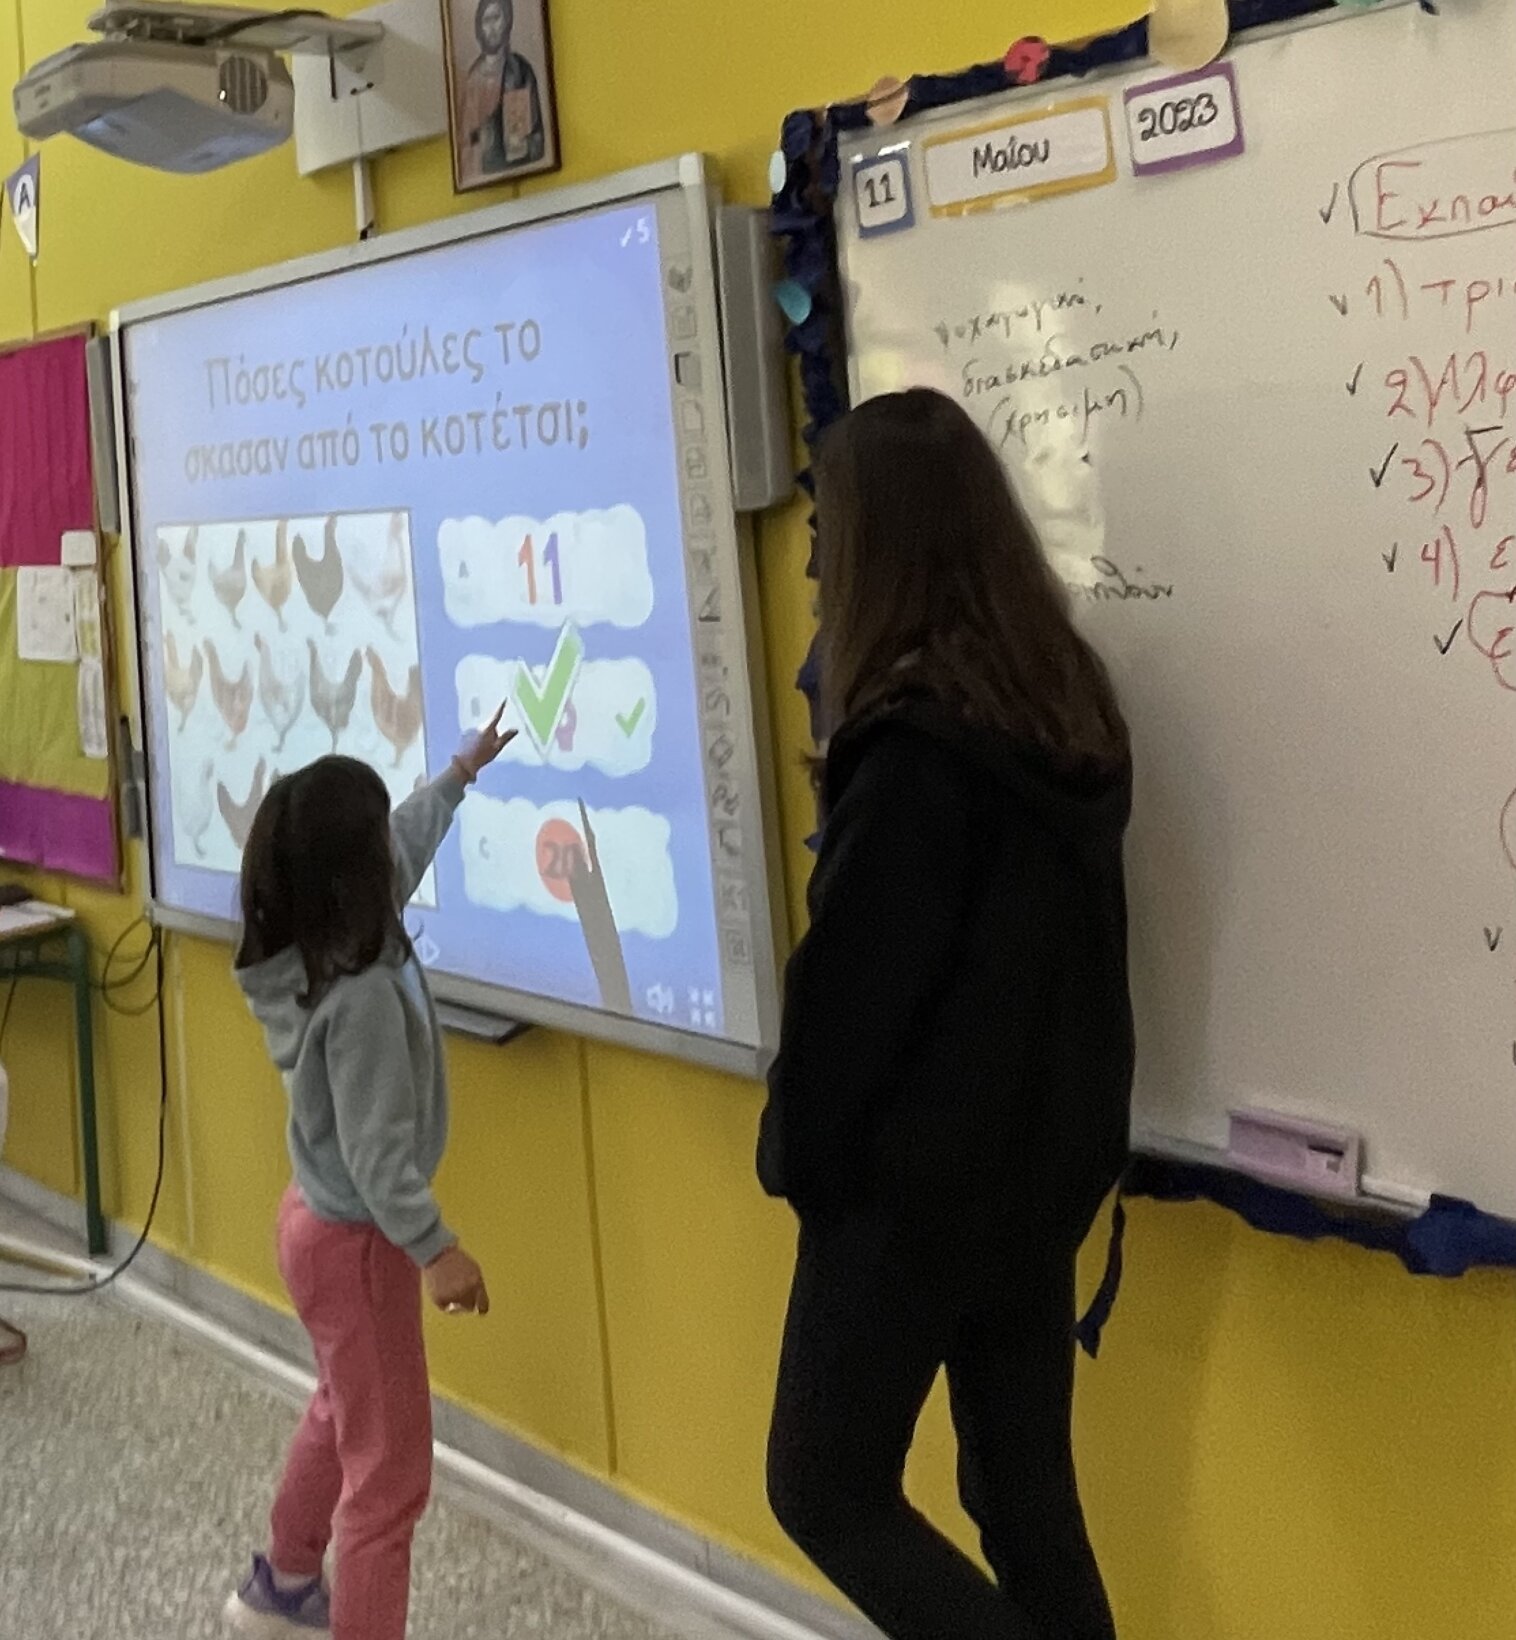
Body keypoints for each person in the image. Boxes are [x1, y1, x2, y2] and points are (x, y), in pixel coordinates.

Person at [759, 388, 1133, 1640]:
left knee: (823, 1485)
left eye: (829, 530)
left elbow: (848, 1006)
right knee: (1022, 1498)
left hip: (912, 1198)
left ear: (885, 545)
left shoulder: (913, 754)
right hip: (1037, 1181)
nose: (815, 562)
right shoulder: (1063, 708)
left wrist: (796, 1157)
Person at [224, 712, 513, 1640]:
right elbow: (379, 1158)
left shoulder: (308, 950)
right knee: (389, 1479)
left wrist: (461, 772)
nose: (396, 849)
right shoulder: (365, 1002)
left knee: (342, 1406)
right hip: (362, 1242)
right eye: (379, 841)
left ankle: (283, 1582)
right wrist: (438, 1250)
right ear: (359, 879)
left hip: (312, 1221)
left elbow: (405, 845)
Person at [461, 0, 545, 179]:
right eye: (486, 20)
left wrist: (523, 142)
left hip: (523, 170)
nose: (491, 27)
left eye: (496, 18)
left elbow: (536, 136)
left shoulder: (521, 71)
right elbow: (466, 141)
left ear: (507, 20)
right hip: (486, 177)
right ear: (479, 26)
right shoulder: (473, 79)